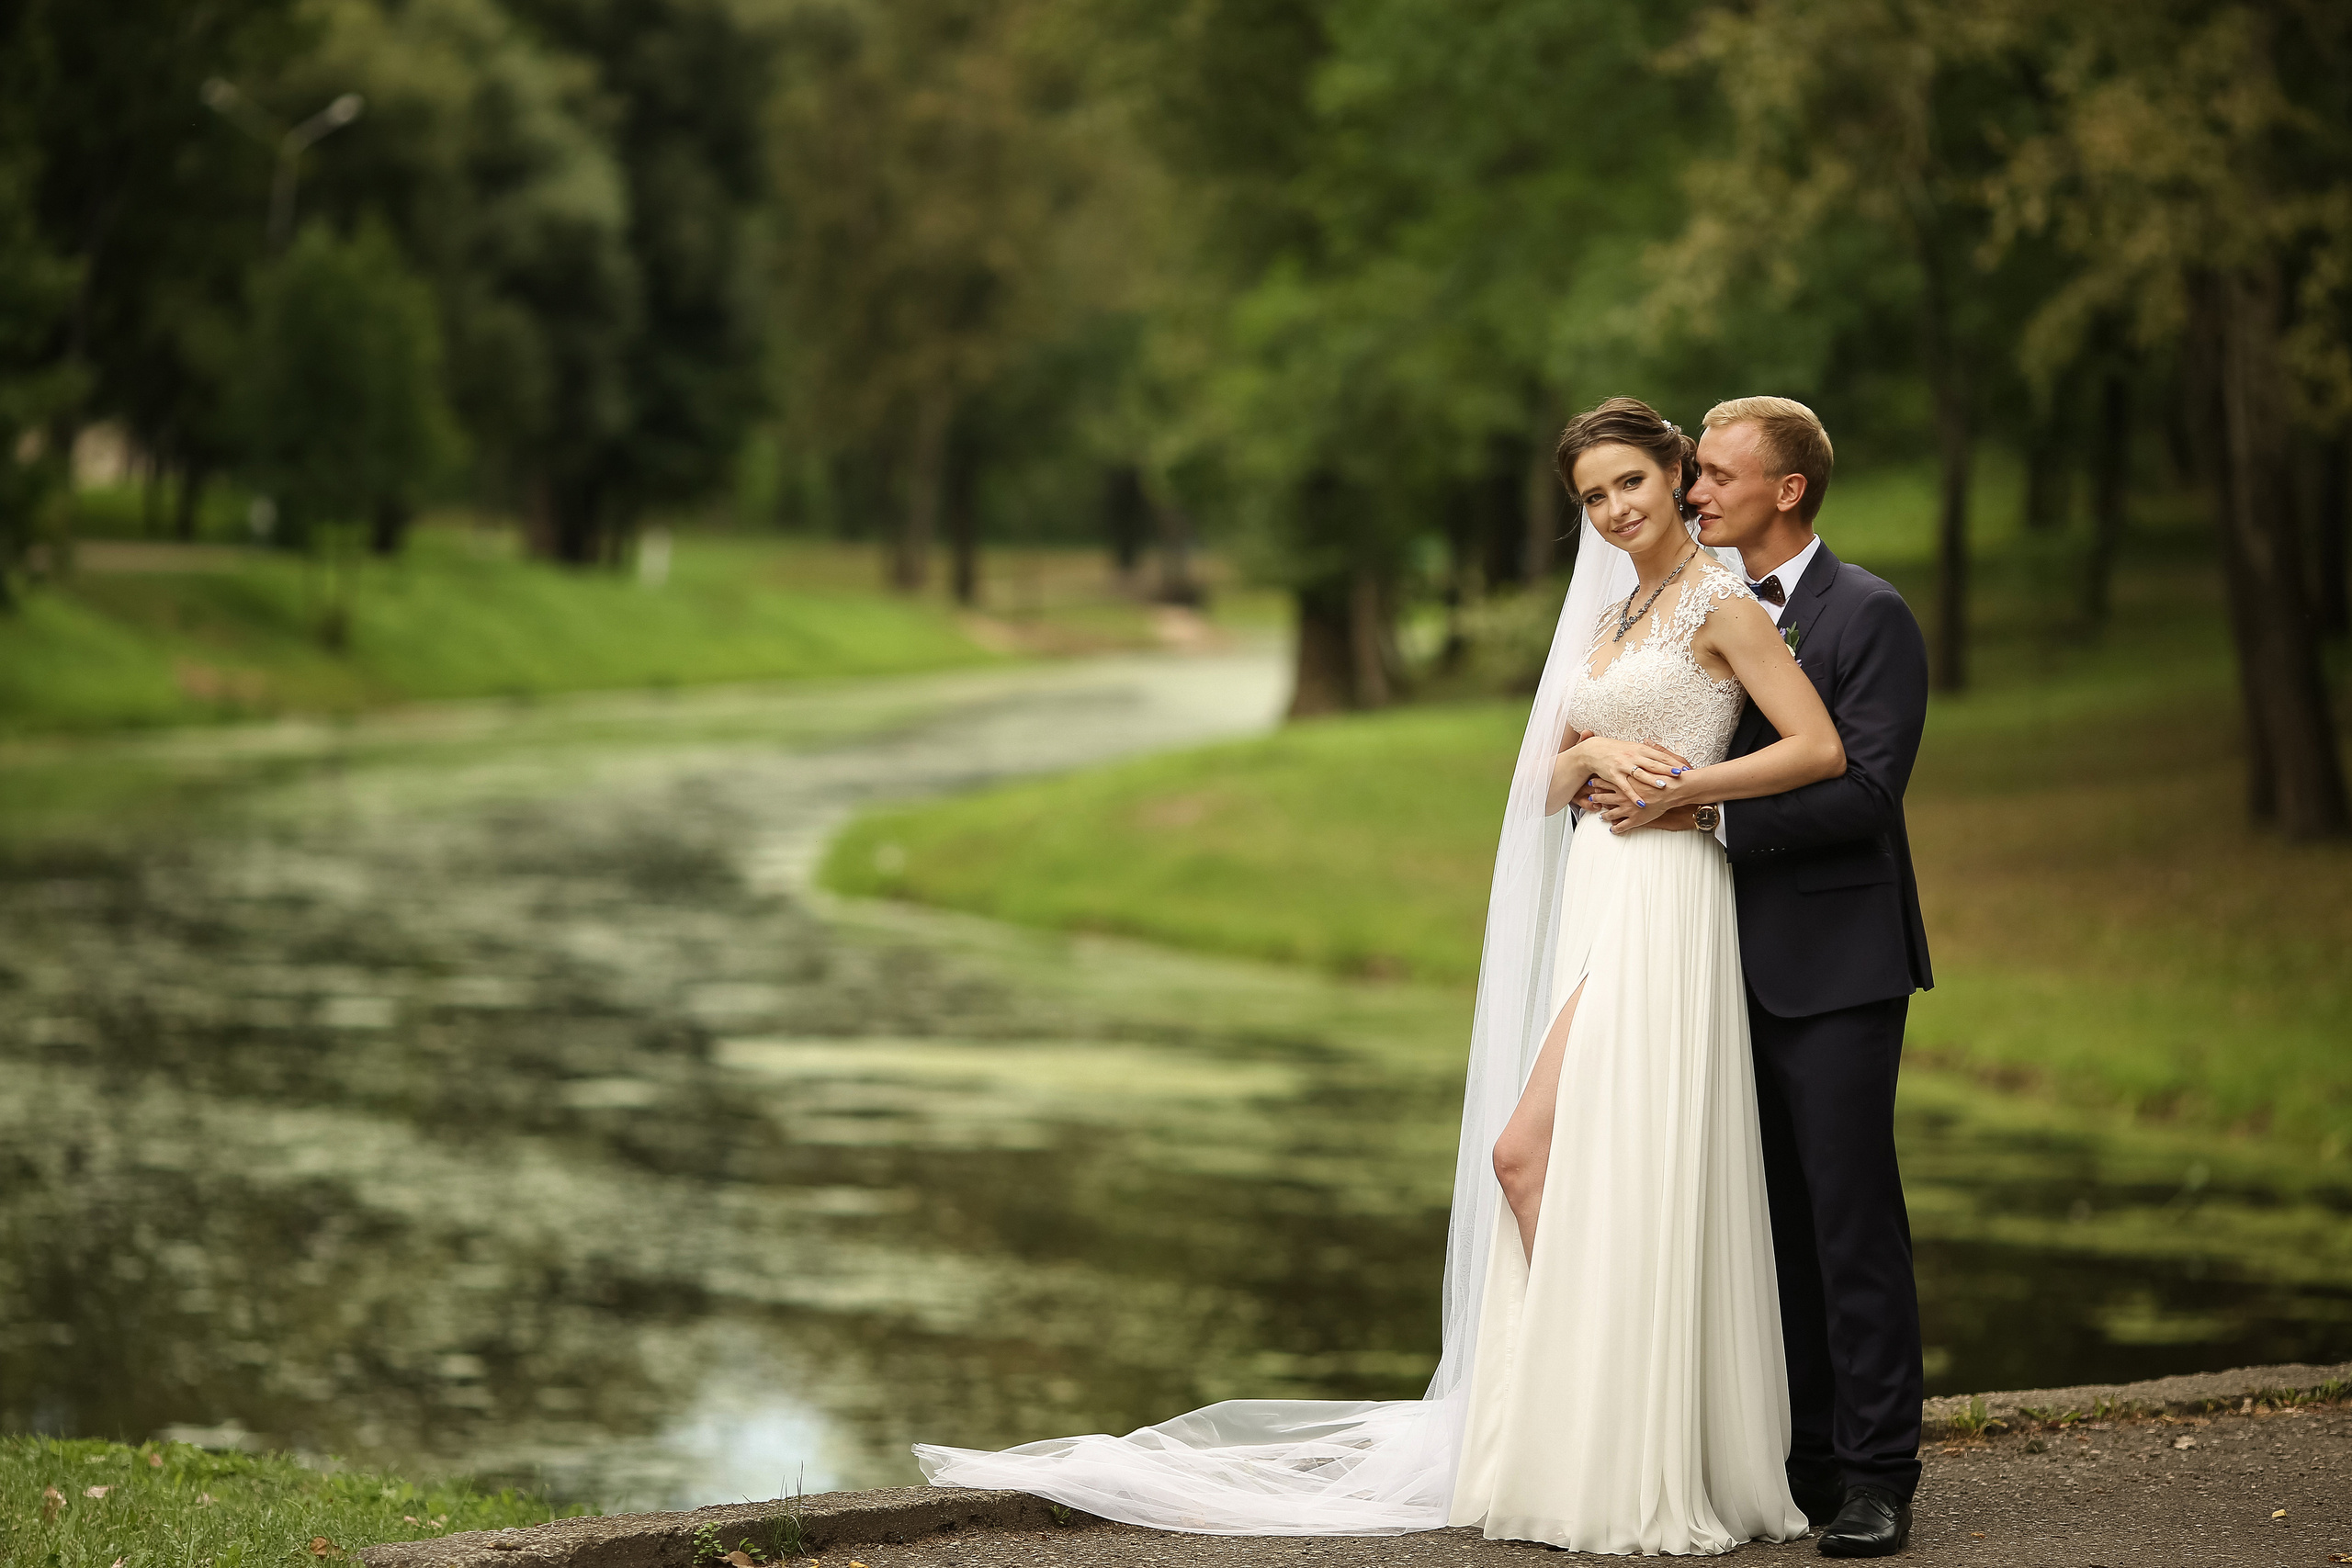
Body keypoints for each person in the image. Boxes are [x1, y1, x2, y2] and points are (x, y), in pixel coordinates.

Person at [911, 396, 1912, 1561]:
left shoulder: (1733, 605)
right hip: (1605, 891)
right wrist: (1586, 754)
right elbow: (1539, 779)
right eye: (1592, 495)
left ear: (1678, 472)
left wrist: (1679, 792)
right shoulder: (1614, 608)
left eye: (1634, 483)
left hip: (1667, 902)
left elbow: (1831, 757)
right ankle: (1595, 1433)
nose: (1618, 507)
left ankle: (1678, 1451)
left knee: (1586, 1165)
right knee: (1571, 1164)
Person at [1585, 396, 1934, 1558]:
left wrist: (1696, 815)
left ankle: (1880, 1474)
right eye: (1694, 474)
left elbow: (1863, 790)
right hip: (1700, 957)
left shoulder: (1866, 614)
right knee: (1755, 1217)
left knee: (1847, 1218)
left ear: (1787, 490)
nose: (1693, 492)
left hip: (1833, 962)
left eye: (1716, 474)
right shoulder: (1683, 603)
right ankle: (1795, 1457)